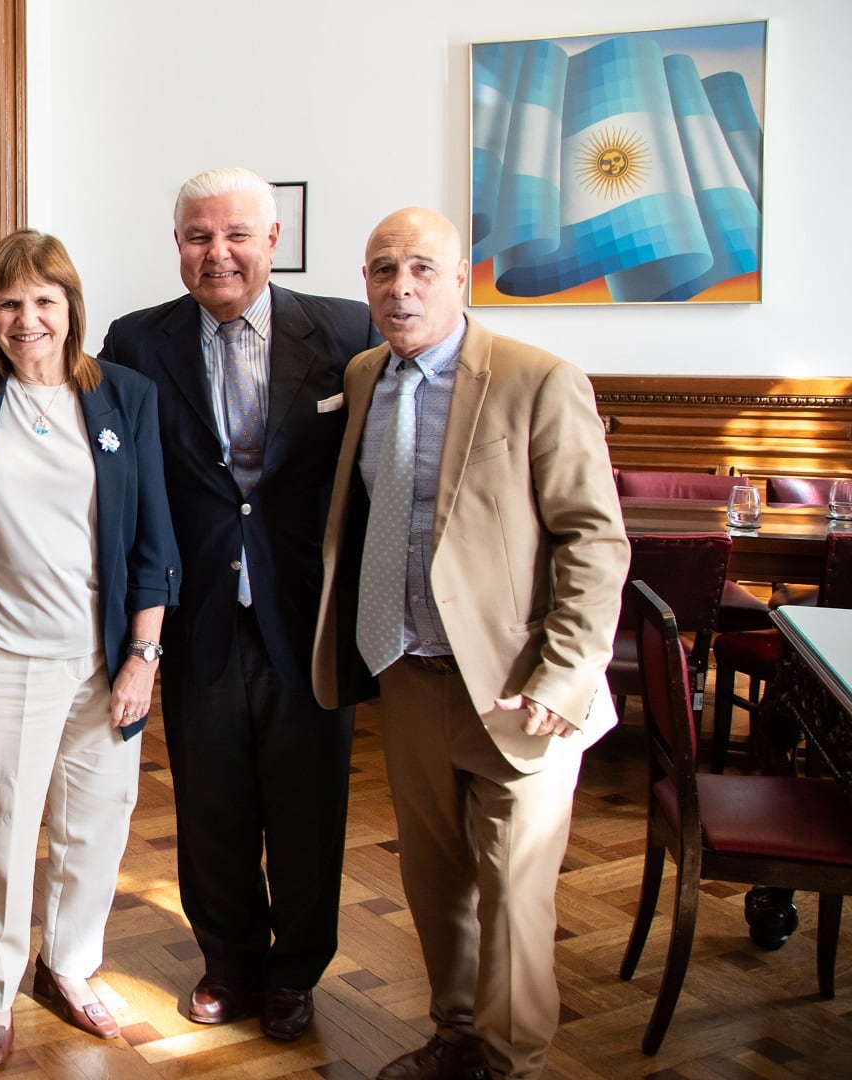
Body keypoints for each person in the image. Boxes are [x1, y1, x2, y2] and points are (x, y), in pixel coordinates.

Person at [311, 207, 627, 1080]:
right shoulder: (367, 374)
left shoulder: (539, 379)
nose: (399, 286)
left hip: (520, 687)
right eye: (381, 269)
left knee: (516, 893)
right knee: (434, 876)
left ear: (461, 278)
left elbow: (594, 543)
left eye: (419, 267)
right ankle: (454, 1036)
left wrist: (562, 679)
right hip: (408, 670)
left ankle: (511, 1058)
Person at [97, 166, 380, 1040]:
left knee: (309, 805)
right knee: (210, 804)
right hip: (195, 614)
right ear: (177, 244)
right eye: (196, 236)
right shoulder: (135, 342)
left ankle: (296, 972)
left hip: (309, 612)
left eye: (235, 235)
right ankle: (227, 961)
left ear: (272, 241)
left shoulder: (349, 331)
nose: (216, 253)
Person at [0, 229, 180, 1066]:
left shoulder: (124, 396)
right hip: (0, 655)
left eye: (43, 300)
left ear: (70, 306)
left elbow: (153, 540)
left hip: (104, 661)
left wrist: (144, 656)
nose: (27, 319)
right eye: (8, 303)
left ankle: (68, 967)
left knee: (97, 826)